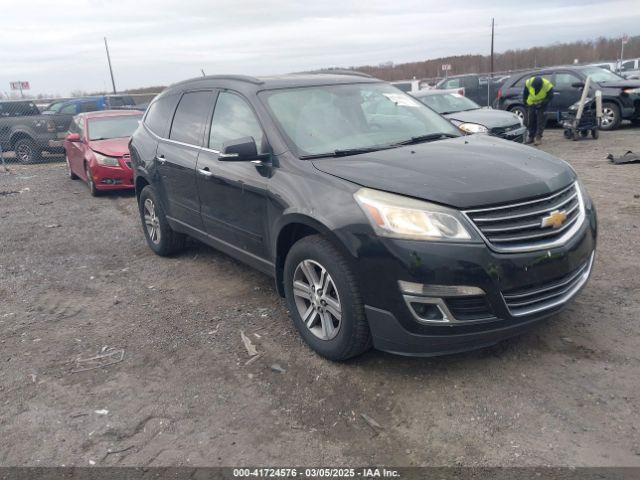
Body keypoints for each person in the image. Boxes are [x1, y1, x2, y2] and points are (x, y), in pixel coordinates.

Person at [522, 75, 554, 146]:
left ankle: (538, 137)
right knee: (531, 120)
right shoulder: (529, 82)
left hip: (542, 103)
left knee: (541, 121)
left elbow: (550, 97)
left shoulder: (547, 85)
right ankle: (531, 137)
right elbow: (525, 94)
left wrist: (542, 103)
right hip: (532, 103)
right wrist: (525, 104)